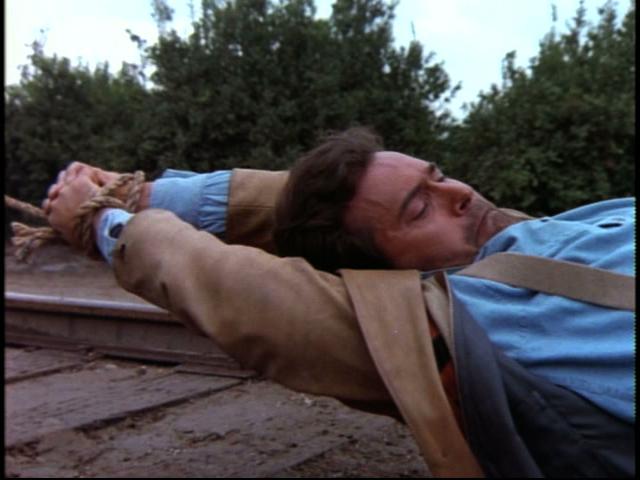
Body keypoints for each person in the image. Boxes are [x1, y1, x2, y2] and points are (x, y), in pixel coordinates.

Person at [42, 128, 634, 477]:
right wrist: (106, 222)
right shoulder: (479, 321)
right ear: (388, 278)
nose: (459, 192)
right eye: (420, 207)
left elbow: (351, 198)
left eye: (440, 176)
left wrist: (153, 195)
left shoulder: (537, 235)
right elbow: (258, 298)